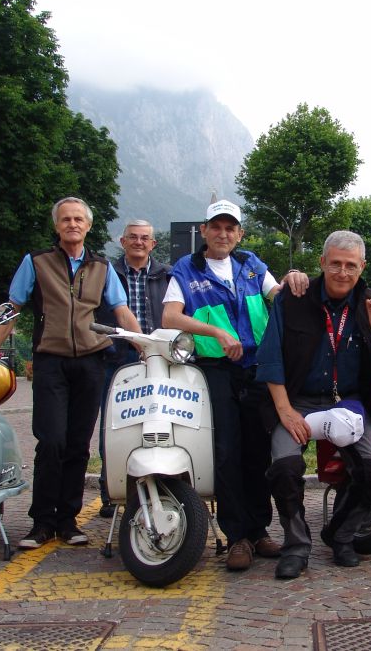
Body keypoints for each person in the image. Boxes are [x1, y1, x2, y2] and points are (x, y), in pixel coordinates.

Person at [0, 196, 141, 550]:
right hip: (50, 360)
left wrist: (144, 344)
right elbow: (13, 307)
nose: (72, 224)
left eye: (78, 219)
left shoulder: (102, 267)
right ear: (56, 226)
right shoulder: (36, 261)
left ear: (88, 226)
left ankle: (68, 520)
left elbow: (121, 310)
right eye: (66, 219)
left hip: (91, 361)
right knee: (52, 440)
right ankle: (42, 521)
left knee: (78, 444)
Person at [161, 199, 308, 571]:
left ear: (239, 234)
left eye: (230, 228)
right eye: (216, 227)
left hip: (256, 371)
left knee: (258, 453)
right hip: (216, 371)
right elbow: (170, 316)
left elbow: (279, 295)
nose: (223, 234)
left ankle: (258, 531)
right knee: (226, 453)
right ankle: (237, 537)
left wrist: (293, 278)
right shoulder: (187, 268)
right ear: (204, 231)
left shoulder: (251, 264)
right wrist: (215, 332)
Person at [257, 231, 371, 579]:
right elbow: (270, 359)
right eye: (335, 263)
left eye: (350, 265)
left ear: (362, 267)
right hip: (297, 400)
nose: (342, 272)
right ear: (322, 262)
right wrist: (285, 411)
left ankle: (341, 535)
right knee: (285, 469)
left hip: (349, 404)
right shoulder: (294, 297)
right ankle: (296, 546)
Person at [95, 220, 172, 518]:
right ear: (123, 242)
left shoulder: (168, 274)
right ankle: (110, 492)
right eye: (133, 237)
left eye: (144, 238)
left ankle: (163, 487)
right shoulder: (106, 273)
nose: (139, 242)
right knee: (113, 425)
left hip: (159, 357)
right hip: (115, 357)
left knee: (159, 422)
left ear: (153, 244)